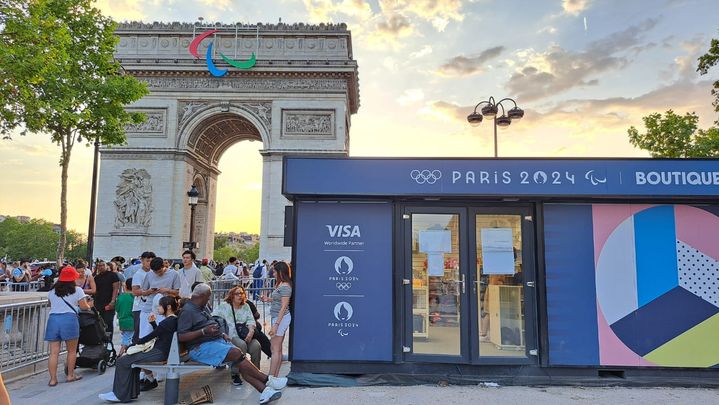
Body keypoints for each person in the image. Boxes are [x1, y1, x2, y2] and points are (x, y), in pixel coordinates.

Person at [178, 284, 286, 404]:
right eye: (208, 297)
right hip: (199, 348)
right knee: (236, 352)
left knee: (241, 362)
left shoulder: (201, 307)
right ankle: (267, 380)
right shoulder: (187, 311)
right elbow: (181, 336)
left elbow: (212, 322)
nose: (209, 299)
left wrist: (221, 334)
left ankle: (265, 391)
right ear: (201, 296)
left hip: (214, 341)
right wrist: (203, 331)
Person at [99, 296, 180, 403]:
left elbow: (151, 336)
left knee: (122, 361)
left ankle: (119, 395)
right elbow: (161, 334)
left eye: (160, 306)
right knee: (129, 361)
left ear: (168, 307)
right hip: (163, 351)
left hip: (159, 352)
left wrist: (132, 345)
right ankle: (130, 393)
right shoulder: (172, 320)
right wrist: (153, 323)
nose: (158, 308)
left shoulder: (167, 322)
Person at [45, 266, 91, 386]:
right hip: (69, 320)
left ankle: (52, 379)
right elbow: (83, 306)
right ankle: (70, 375)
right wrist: (89, 305)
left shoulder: (52, 291)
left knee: (53, 352)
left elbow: (50, 304)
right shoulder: (78, 290)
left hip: (53, 320)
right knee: (71, 351)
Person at [213, 286, 263, 382]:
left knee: (256, 346)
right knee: (241, 345)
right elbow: (214, 318)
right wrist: (222, 333)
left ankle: (255, 372)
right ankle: (235, 374)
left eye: (242, 293)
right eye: (237, 293)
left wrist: (251, 332)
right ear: (232, 296)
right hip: (232, 336)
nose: (240, 295)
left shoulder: (246, 306)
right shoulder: (224, 306)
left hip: (246, 334)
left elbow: (251, 320)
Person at [261, 261, 292, 378]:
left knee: (275, 349)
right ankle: (274, 376)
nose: (272, 273)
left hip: (280, 319)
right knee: (276, 348)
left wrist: (276, 324)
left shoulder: (285, 286)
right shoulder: (282, 285)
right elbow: (279, 302)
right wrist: (268, 299)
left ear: (280, 272)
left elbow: (284, 307)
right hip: (278, 318)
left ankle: (271, 377)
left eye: (274, 271)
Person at [139, 257, 179, 339]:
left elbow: (177, 292)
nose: (157, 274)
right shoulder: (149, 274)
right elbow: (143, 292)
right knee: (145, 335)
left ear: (164, 265)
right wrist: (150, 291)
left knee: (161, 336)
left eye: (160, 271)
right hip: (149, 307)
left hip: (164, 309)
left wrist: (167, 290)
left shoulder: (174, 274)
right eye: (155, 272)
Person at [131, 252, 156, 343]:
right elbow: (135, 291)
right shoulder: (139, 274)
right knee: (139, 332)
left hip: (153, 307)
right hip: (140, 307)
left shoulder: (154, 273)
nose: (150, 263)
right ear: (142, 261)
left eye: (152, 261)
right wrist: (148, 292)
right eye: (147, 261)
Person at [94, 260, 120, 335]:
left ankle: (109, 341)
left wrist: (113, 301)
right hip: (98, 304)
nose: (101, 267)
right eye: (99, 265)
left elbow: (116, 288)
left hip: (109, 302)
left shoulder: (113, 275)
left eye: (103, 265)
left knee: (108, 322)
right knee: (99, 323)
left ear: (106, 266)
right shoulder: (96, 278)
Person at [115, 278, 135, 357]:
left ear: (126, 286)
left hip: (122, 321)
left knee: (126, 336)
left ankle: (126, 352)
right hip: (132, 321)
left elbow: (117, 309)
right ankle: (120, 353)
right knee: (127, 338)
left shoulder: (121, 297)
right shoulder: (134, 298)